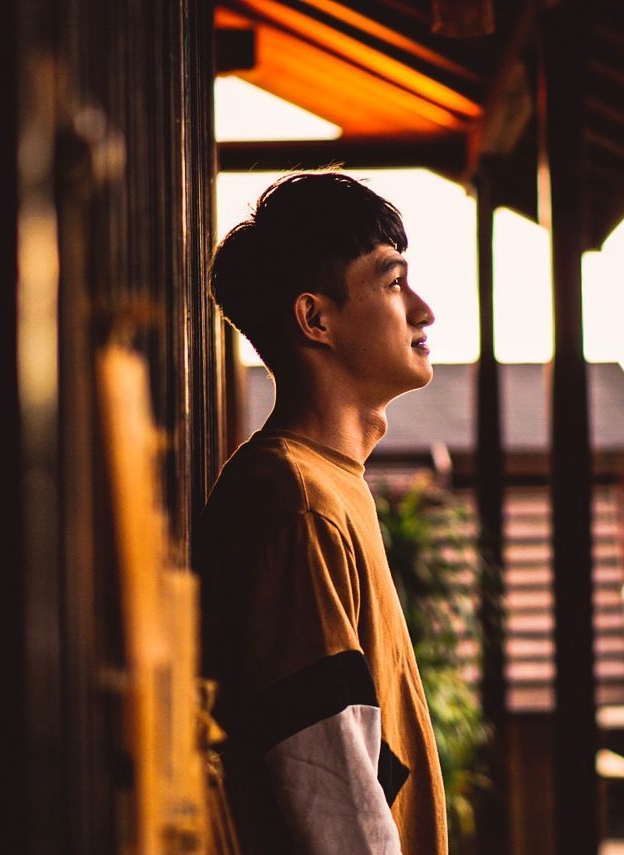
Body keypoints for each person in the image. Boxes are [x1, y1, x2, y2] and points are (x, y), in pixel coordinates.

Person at [194, 171, 446, 854]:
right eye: (393, 283)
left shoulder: (327, 485)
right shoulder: (294, 500)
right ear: (316, 318)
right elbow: (336, 799)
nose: (422, 309)